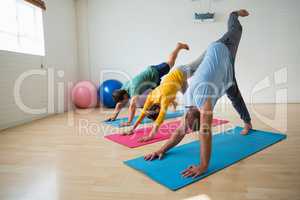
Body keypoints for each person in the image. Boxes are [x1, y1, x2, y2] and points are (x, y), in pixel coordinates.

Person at [144, 9, 253, 178]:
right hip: (225, 74)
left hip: (222, 48)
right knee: (235, 96)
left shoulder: (203, 101)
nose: (185, 127)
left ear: (199, 114)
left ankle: (234, 13)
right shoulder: (188, 102)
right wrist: (161, 149)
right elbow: (180, 131)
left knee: (235, 30)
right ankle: (248, 123)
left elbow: (205, 131)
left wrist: (203, 165)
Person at [105, 42, 189, 127]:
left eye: (123, 101)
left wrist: (129, 122)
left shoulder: (133, 90)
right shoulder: (123, 90)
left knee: (171, 63)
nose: (124, 102)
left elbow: (132, 107)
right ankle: (173, 102)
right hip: (151, 82)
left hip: (154, 72)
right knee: (160, 96)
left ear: (124, 96)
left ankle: (178, 47)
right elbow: (119, 104)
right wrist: (113, 117)